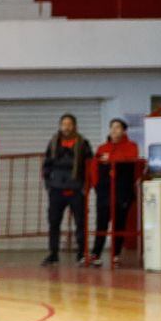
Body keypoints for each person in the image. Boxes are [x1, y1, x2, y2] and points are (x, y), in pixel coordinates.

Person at [89, 119, 141, 266]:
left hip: (123, 192)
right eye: (112, 127)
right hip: (105, 192)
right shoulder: (102, 147)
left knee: (119, 224)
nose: (114, 130)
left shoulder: (131, 146)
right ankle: (96, 254)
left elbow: (130, 159)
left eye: (117, 127)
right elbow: (94, 166)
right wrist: (96, 185)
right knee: (101, 223)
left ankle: (115, 254)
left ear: (124, 131)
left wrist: (110, 158)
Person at [42, 113, 90, 265]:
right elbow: (46, 165)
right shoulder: (54, 142)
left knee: (80, 222)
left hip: (76, 188)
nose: (66, 127)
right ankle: (53, 254)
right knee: (54, 222)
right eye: (64, 124)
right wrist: (49, 184)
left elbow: (89, 165)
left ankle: (81, 253)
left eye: (69, 124)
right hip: (56, 188)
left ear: (74, 126)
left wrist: (85, 186)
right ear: (60, 126)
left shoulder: (83, 143)